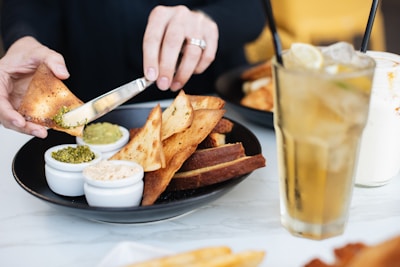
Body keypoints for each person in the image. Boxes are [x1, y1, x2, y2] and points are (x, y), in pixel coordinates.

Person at [0, 1, 265, 138]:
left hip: (211, 99)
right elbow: (27, 5)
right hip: (85, 101)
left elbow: (252, 10)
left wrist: (208, 22)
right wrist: (22, 38)